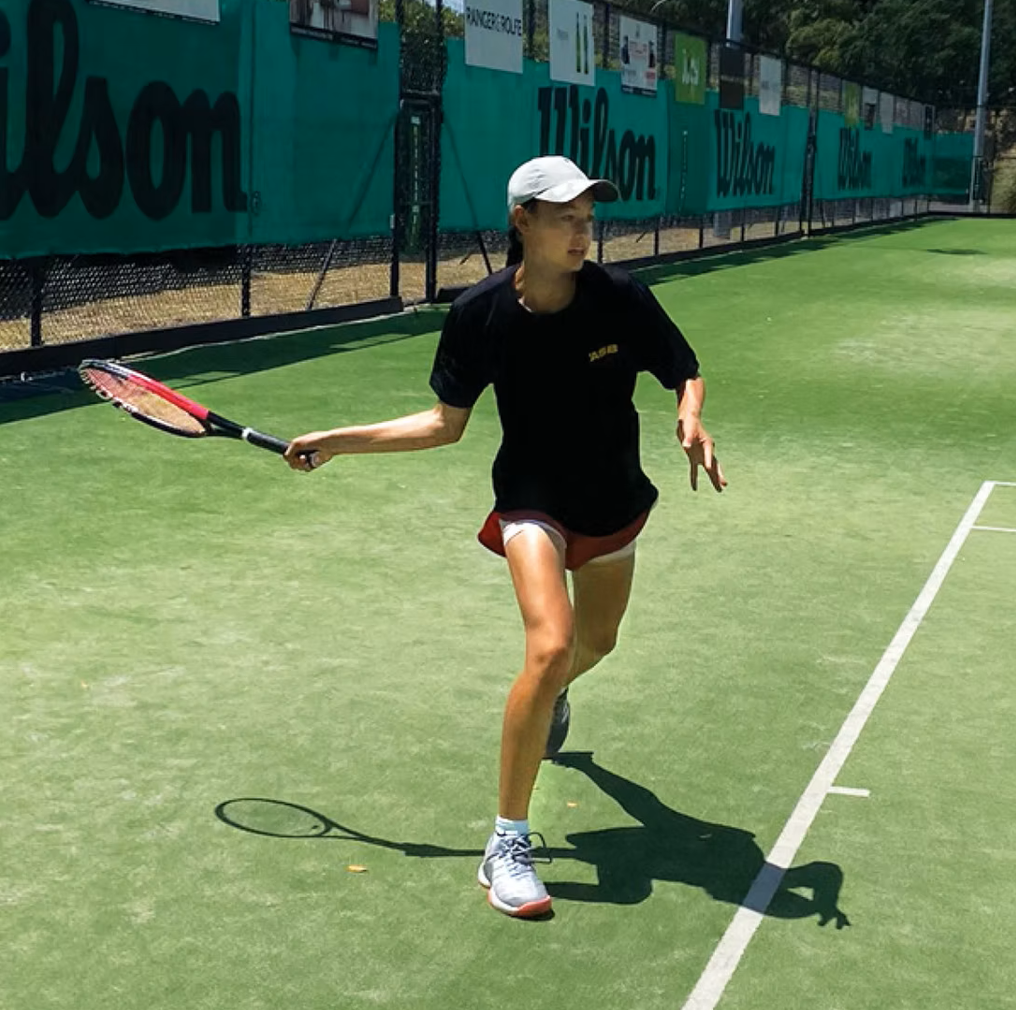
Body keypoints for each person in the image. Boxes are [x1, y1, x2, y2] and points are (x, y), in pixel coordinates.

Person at [284, 156, 726, 919]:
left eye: (588, 219)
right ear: (523, 220)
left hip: (614, 497)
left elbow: (684, 368)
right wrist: (340, 438)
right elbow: (443, 425)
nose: (582, 232)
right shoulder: (480, 313)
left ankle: (551, 700)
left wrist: (690, 414)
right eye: (566, 218)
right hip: (531, 499)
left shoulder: (620, 299)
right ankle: (508, 842)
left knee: (597, 644)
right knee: (549, 648)